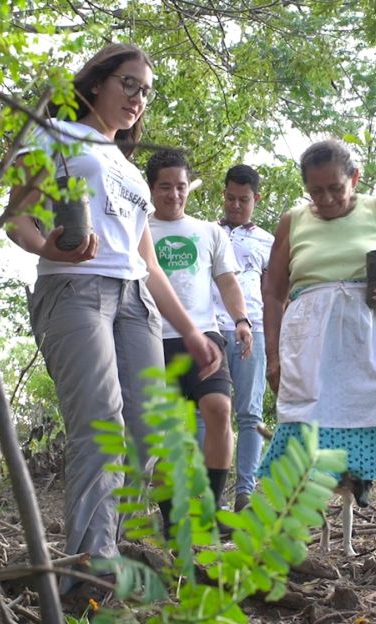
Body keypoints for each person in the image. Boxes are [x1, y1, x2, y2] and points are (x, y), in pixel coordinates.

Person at [5, 43, 221, 599]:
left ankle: (105, 549)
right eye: (129, 84)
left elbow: (147, 263)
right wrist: (48, 246)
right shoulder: (54, 134)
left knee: (145, 432)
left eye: (146, 91)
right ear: (97, 83)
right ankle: (89, 569)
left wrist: (192, 330)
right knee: (101, 422)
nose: (137, 99)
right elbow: (16, 218)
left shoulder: (126, 165)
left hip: (136, 303)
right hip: (75, 290)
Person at [259, 139, 376, 558]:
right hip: (310, 343)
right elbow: (273, 291)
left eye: (335, 187)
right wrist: (273, 355)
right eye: (316, 191)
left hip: (373, 337)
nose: (327, 198)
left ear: (354, 178)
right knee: (304, 431)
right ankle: (292, 544)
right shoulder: (292, 221)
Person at [145, 149, 252, 513]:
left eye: (180, 186)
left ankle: (210, 506)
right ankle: (171, 518)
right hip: (151, 339)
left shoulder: (209, 232)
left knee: (220, 411)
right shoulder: (139, 228)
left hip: (205, 337)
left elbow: (227, 282)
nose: (174, 195)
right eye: (165, 187)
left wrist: (241, 320)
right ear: (151, 189)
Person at [211, 164, 274, 513]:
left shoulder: (268, 241)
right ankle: (210, 493)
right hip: (210, 327)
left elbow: (272, 291)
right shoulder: (207, 232)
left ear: (256, 199)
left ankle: (244, 494)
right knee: (210, 412)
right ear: (224, 195)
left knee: (249, 413)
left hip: (254, 330)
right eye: (231, 198)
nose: (236, 205)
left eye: (244, 200)